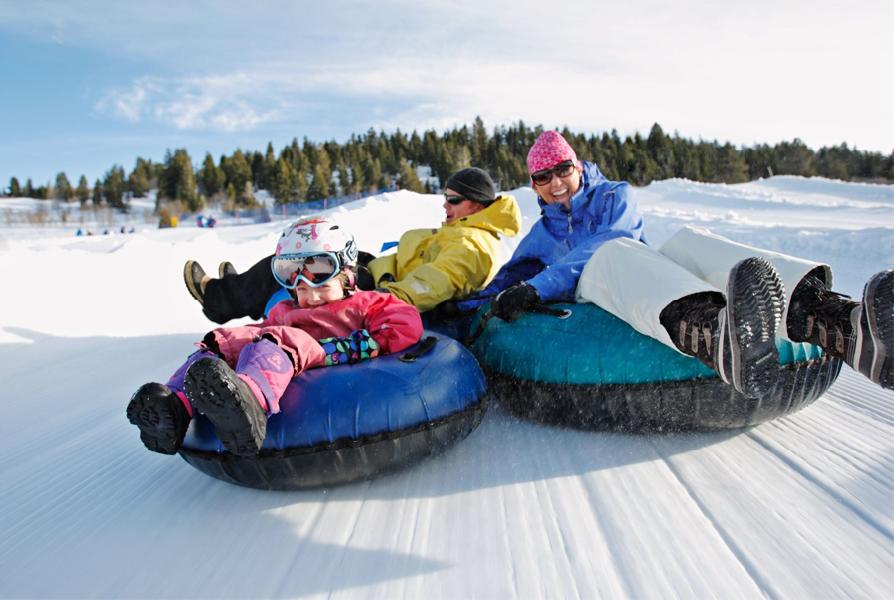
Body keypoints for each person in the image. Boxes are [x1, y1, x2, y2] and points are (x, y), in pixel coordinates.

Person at [460, 130, 893, 394]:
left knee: (689, 241)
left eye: (562, 170)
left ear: (577, 166)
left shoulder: (615, 195)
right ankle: (716, 335)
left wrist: (542, 283)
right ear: (533, 184)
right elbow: (507, 283)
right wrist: (475, 306)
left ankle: (842, 324)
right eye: (542, 177)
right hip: (603, 288)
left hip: (637, 272)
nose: (555, 183)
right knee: (613, 256)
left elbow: (616, 238)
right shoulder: (539, 236)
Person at [127, 217, 424, 457]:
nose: (308, 287)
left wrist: (351, 347)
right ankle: (176, 405)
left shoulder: (367, 302)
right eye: (292, 273)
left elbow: (404, 324)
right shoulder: (286, 308)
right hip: (280, 345)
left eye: (319, 270)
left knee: (276, 340)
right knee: (226, 340)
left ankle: (248, 404)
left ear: (346, 272)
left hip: (318, 351)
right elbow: (263, 331)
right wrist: (227, 343)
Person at [182, 167, 521, 322]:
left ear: (476, 204)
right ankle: (244, 288)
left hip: (385, 286)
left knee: (308, 259)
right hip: (380, 268)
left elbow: (438, 281)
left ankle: (220, 299)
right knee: (318, 246)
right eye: (445, 197)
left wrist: (390, 298)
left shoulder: (473, 244)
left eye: (453, 199)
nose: (445, 205)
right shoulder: (464, 228)